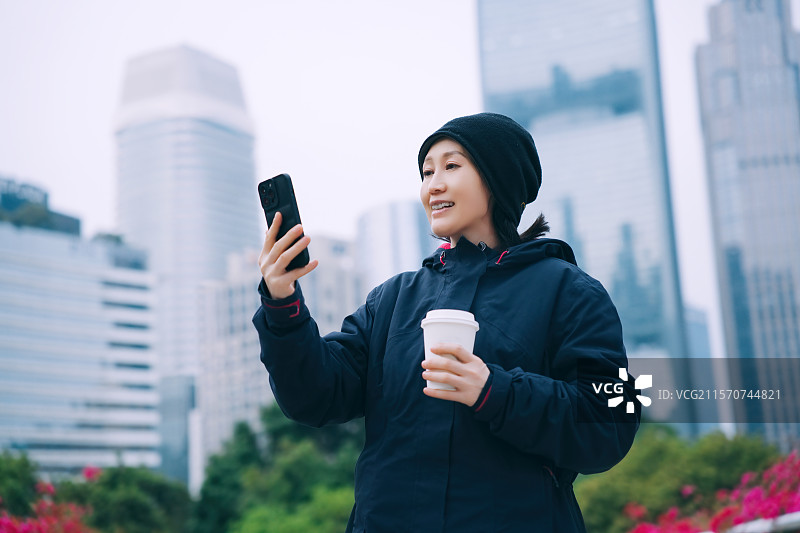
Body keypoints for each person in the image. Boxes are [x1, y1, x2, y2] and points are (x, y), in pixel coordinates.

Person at [253, 112, 640, 532]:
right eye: (426, 172)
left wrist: (495, 391)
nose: (432, 185)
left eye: (451, 166)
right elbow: (313, 396)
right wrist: (283, 302)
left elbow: (607, 423)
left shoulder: (568, 291)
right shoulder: (392, 300)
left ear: (498, 178)